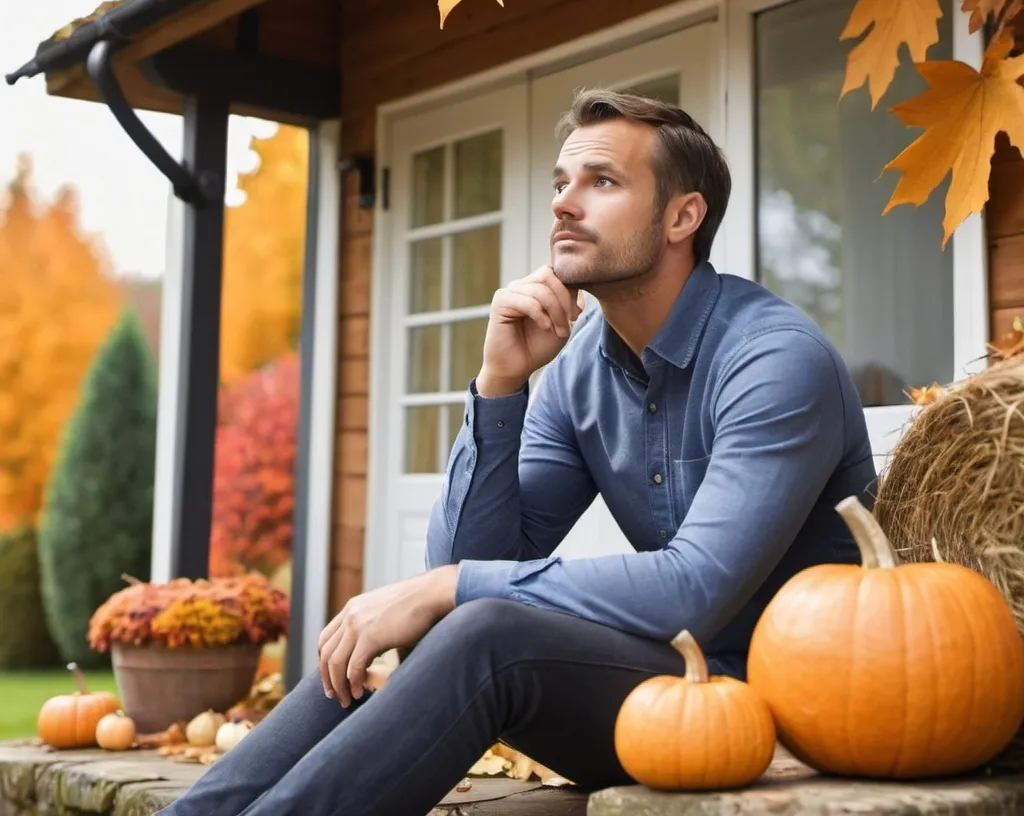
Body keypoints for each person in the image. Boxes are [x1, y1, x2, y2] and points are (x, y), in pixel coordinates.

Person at [160, 89, 875, 816]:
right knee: (410, 634)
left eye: (602, 181)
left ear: (682, 217)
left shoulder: (773, 359)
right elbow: (470, 555)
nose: (565, 204)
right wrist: (501, 385)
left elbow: (694, 589)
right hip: (664, 697)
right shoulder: (577, 371)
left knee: (485, 625)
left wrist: (446, 588)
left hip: (790, 707)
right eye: (560, 184)